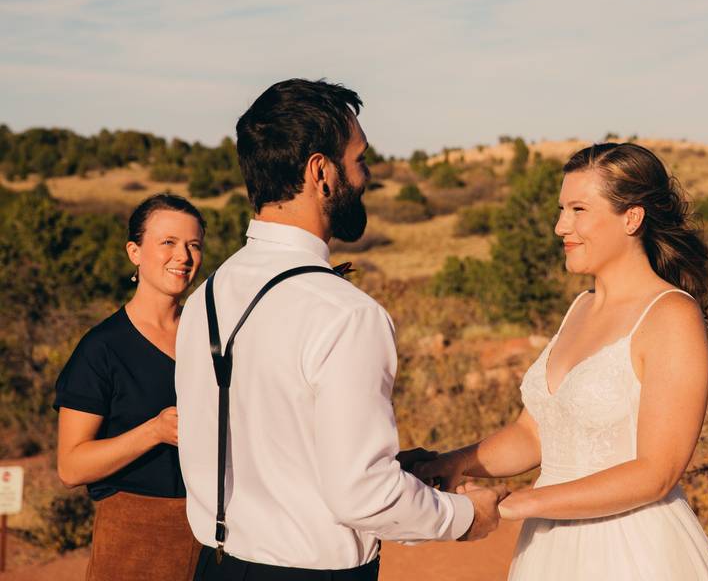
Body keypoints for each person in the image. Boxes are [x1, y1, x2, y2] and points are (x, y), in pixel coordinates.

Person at [174, 78, 505, 581]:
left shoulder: (205, 299)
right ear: (320, 171)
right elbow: (362, 494)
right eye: (359, 159)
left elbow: (273, 444)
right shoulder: (346, 314)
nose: (366, 176)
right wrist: (465, 518)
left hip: (214, 567)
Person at [416, 142, 708, 579]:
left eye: (579, 209)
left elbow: (657, 472)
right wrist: (454, 462)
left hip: (630, 549)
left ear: (632, 218)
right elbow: (535, 432)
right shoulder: (581, 307)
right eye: (562, 209)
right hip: (551, 544)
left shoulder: (670, 315)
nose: (562, 226)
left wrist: (524, 502)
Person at [54, 193, 206, 581]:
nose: (183, 256)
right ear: (134, 252)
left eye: (193, 245)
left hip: (215, 536)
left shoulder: (210, 338)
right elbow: (71, 466)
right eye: (168, 243)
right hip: (135, 539)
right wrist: (154, 431)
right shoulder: (102, 348)